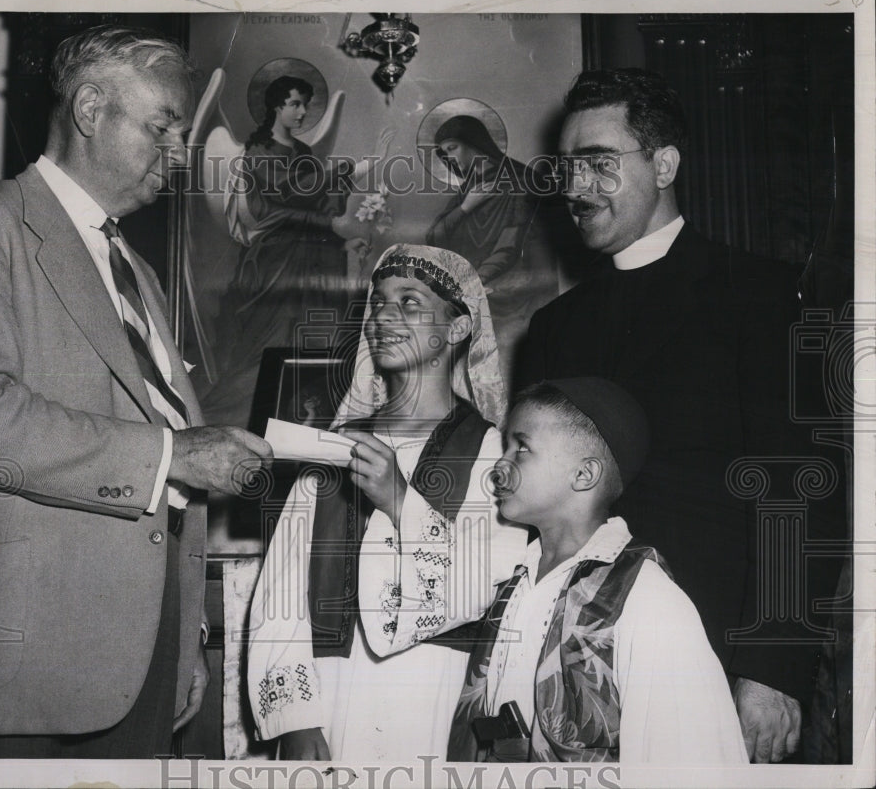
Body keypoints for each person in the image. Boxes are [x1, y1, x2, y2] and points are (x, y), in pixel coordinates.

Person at [0, 24, 271, 759]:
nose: (178, 155)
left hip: (137, 669)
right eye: (162, 127)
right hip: (8, 675)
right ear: (92, 109)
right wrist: (171, 454)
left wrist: (184, 638)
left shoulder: (139, 271)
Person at [513, 68, 843, 763]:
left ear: (664, 164)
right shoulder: (551, 328)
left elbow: (796, 487)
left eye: (599, 164)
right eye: (567, 167)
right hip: (568, 666)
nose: (575, 187)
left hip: (715, 652)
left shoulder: (754, 293)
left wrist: (771, 668)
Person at [247, 244, 525, 761]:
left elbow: (490, 585)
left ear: (458, 329)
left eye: (409, 302)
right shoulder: (330, 449)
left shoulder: (491, 451)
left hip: (433, 694)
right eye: (376, 303)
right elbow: (280, 593)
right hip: (327, 699)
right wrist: (294, 718)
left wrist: (401, 501)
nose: (383, 317)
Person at [448, 378, 748, 764]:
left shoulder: (647, 599)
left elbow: (691, 765)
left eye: (521, 447)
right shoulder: (511, 581)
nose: (500, 465)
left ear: (584, 475)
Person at [202, 75, 367, 424]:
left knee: (316, 338)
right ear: (276, 107)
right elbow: (276, 204)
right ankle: (238, 418)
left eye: (305, 104)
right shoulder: (258, 152)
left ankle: (301, 420)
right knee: (269, 344)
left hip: (315, 258)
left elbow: (321, 204)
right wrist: (345, 171)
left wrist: (340, 236)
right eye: (295, 103)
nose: (303, 112)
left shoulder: (304, 154)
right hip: (275, 259)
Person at [426, 115, 558, 368]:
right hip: (476, 291)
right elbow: (435, 236)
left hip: (514, 294)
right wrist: (465, 208)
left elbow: (510, 247)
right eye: (444, 153)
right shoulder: (469, 189)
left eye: (452, 148)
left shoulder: (519, 181)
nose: (449, 157)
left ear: (474, 142)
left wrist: (471, 282)